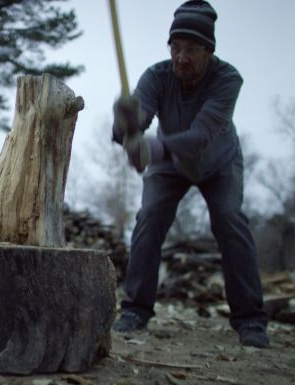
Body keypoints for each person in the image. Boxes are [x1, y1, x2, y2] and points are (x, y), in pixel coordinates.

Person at [111, 0, 269, 348]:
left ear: (209, 51)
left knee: (230, 219)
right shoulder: (156, 76)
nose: (182, 57)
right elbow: (139, 120)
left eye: (192, 50)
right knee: (149, 217)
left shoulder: (228, 79)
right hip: (170, 163)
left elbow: (200, 136)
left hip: (218, 162)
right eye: (176, 48)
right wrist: (125, 122)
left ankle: (251, 320)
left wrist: (150, 149)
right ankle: (135, 310)